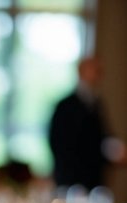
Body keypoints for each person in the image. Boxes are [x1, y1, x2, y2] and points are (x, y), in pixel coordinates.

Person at [48, 56, 125, 193]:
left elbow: (101, 137)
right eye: (94, 69)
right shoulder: (65, 106)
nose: (98, 74)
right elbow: (57, 142)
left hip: (93, 179)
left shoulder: (96, 104)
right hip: (71, 180)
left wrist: (114, 150)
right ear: (81, 71)